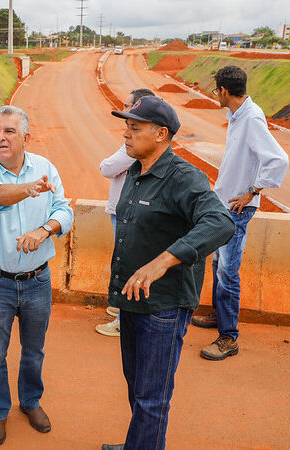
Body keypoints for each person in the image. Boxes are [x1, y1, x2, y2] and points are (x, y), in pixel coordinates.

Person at [102, 96, 235, 450]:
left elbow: (220, 222)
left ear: (161, 134)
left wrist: (164, 261)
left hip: (163, 307)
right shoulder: (135, 171)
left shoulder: (184, 178)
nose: (125, 134)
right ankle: (138, 442)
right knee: (137, 387)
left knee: (152, 398)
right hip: (133, 301)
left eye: (134, 127)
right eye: (126, 126)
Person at [0, 105, 74, 446]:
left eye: (9, 131)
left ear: (25, 137)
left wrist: (44, 230)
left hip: (38, 281)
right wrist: (29, 189)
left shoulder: (46, 168)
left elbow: (64, 210)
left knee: (34, 350)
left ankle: (30, 402)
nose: (0, 137)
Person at [192, 65, 289, 361]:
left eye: (215, 91)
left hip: (238, 207)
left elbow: (278, 159)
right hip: (225, 204)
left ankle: (229, 338)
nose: (215, 95)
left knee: (227, 271)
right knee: (218, 263)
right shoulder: (237, 116)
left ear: (223, 91)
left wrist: (253, 190)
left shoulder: (251, 119)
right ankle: (219, 316)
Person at [96, 88, 155, 337]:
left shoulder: (136, 144)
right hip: (125, 208)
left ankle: (124, 318)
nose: (126, 108)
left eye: (129, 104)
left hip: (126, 210)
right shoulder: (136, 139)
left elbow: (108, 168)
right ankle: (122, 310)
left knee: (126, 264)